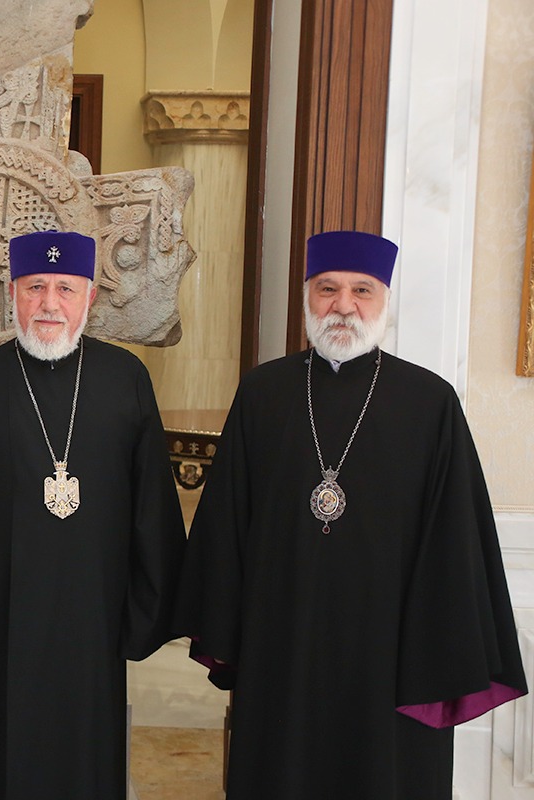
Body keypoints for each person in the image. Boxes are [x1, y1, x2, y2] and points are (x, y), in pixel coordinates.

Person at [175, 230, 527, 798]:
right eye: (327, 288)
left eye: (362, 290)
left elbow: (454, 543)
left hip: (389, 654)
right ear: (306, 296)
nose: (343, 305)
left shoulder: (430, 403)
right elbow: (225, 529)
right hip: (281, 645)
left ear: (385, 298)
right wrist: (231, 631)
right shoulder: (263, 395)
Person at [0, 230, 186, 799]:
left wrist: (145, 613)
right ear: (12, 293)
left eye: (66, 287)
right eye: (35, 287)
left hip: (93, 623)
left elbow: (153, 509)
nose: (49, 304)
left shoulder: (125, 379)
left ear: (90, 296)